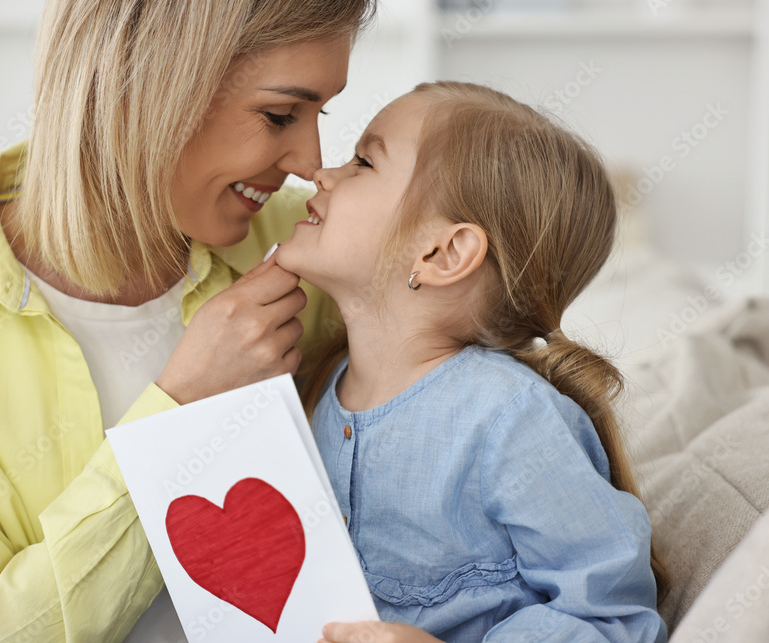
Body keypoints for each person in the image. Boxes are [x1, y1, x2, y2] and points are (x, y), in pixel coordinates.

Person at [0, 0, 375, 640]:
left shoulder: (311, 247)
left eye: (324, 115)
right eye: (281, 115)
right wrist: (180, 408)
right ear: (139, 88)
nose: (310, 162)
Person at [274, 82, 669, 642]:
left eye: (363, 161)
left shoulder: (510, 419)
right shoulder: (315, 386)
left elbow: (613, 620)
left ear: (444, 253)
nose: (322, 174)